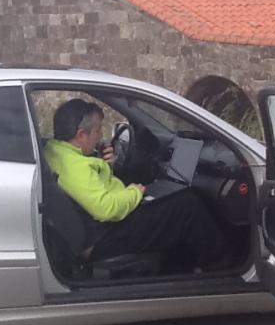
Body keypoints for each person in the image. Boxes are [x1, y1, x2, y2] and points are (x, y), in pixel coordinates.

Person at [44, 98, 232, 271]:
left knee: (171, 210)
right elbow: (106, 209)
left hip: (103, 230)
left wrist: (105, 165)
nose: (101, 136)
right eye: (98, 131)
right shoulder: (75, 167)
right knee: (187, 206)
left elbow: (92, 188)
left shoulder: (56, 151)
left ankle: (180, 273)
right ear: (80, 135)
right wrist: (135, 192)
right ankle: (222, 269)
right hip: (103, 239)